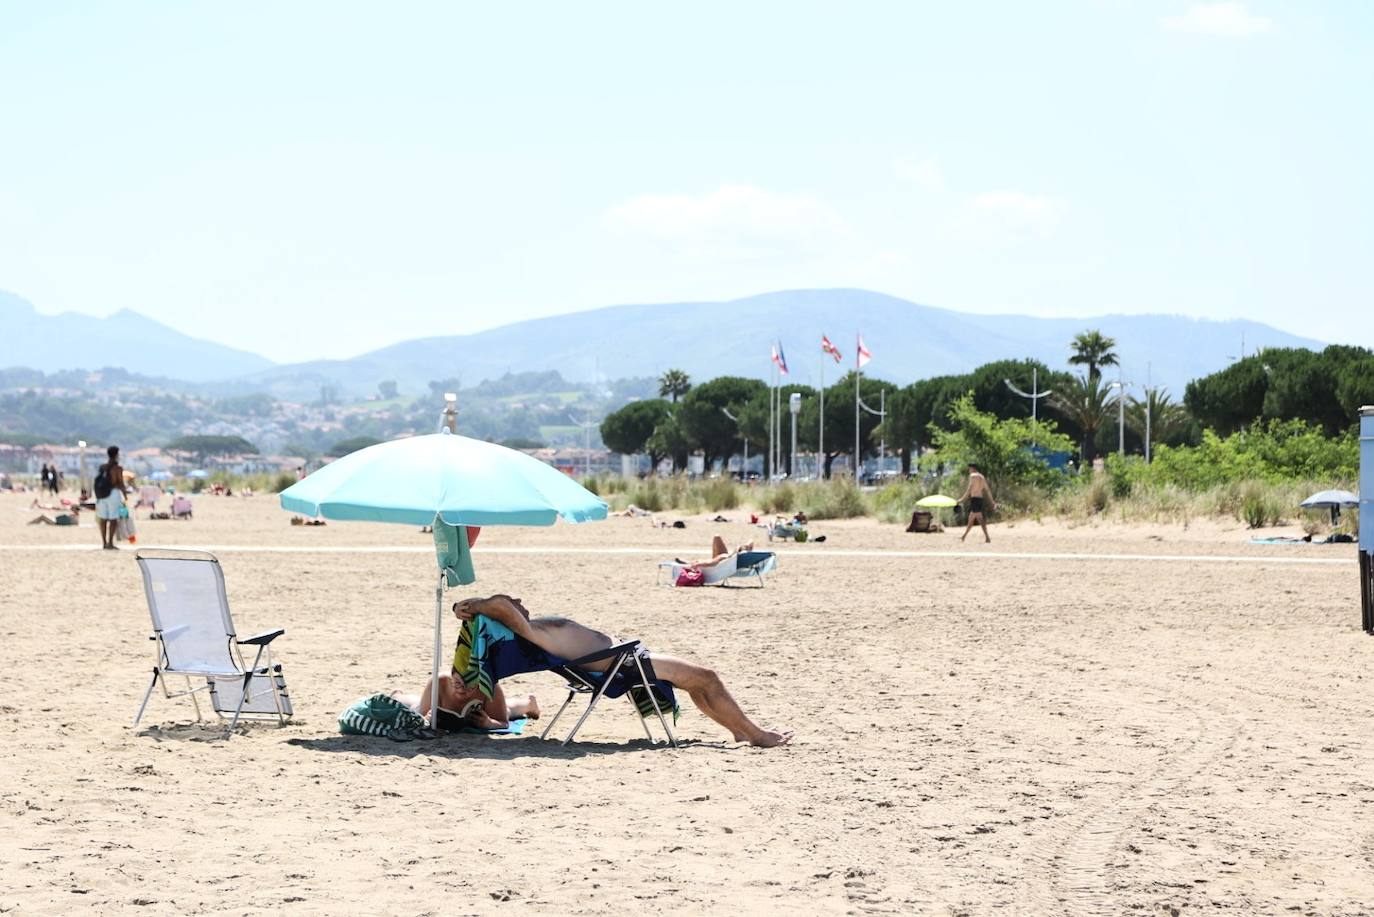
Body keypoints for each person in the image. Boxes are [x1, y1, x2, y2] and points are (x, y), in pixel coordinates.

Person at [434, 594, 792, 747]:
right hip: (625, 665)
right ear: (504, 617)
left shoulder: (533, 632)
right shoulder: (531, 632)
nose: (521, 604)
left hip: (626, 658)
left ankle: (742, 731)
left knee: (699, 684)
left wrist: (463, 606)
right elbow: (499, 605)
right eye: (516, 604)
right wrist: (476, 605)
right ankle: (753, 733)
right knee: (706, 678)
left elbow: (500, 607)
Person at [94, 445, 131, 550]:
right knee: (113, 519)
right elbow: (120, 483)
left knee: (103, 519)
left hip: (101, 495)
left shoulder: (102, 467)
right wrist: (125, 496)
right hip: (113, 494)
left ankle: (104, 543)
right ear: (116, 454)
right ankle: (110, 542)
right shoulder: (117, 468)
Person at [958, 463, 995, 544]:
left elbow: (969, 488)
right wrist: (992, 501)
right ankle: (964, 536)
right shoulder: (982, 477)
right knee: (971, 519)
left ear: (973, 468)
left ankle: (987, 537)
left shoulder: (973, 476)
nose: (969, 470)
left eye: (969, 469)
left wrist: (962, 499)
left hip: (975, 499)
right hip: (980, 499)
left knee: (979, 519)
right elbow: (987, 490)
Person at [676, 535, 754, 571]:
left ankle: (689, 562)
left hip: (723, 561)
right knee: (717, 537)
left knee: (698, 561)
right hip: (731, 561)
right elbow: (751, 542)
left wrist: (696, 565)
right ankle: (689, 562)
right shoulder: (746, 561)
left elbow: (710, 563)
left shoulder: (724, 557)